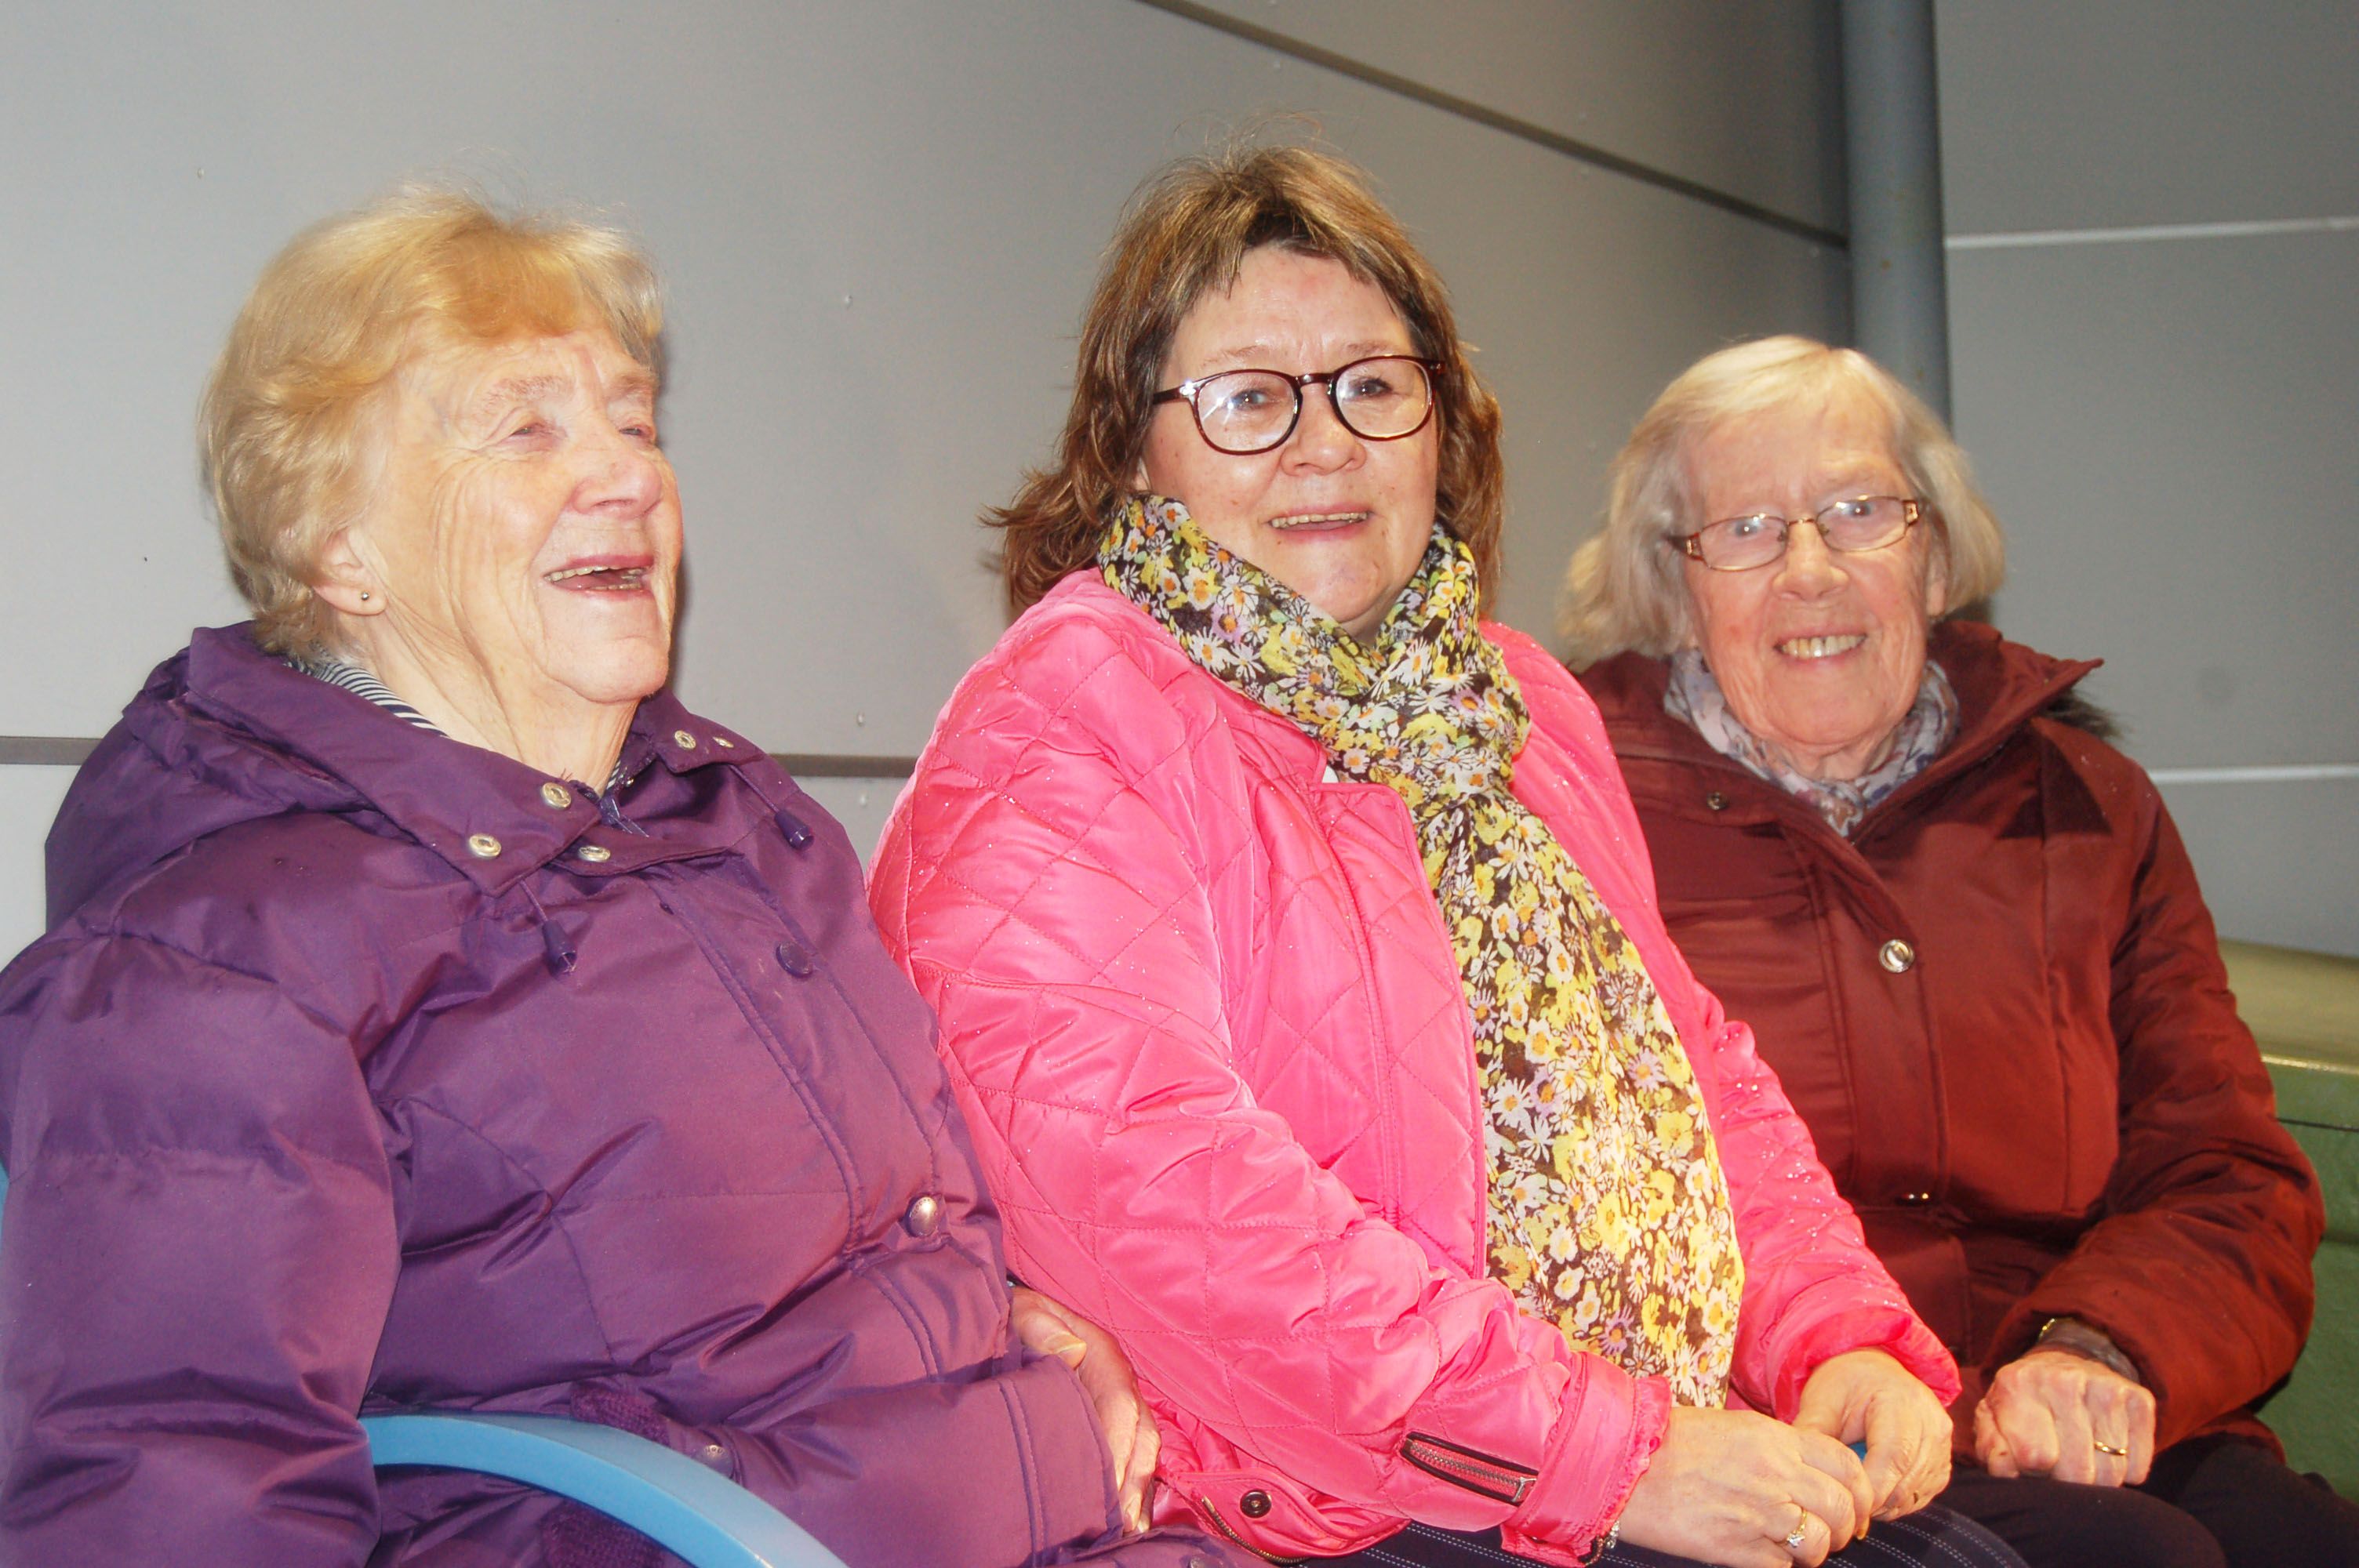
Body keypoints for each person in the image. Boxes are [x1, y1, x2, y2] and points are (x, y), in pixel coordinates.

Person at [0, 188, 1237, 1568]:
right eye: (526, 429)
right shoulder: (222, 956)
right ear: (340, 545)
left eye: (635, 424)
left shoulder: (740, 831)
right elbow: (167, 1484)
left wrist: (1008, 1321)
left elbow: (850, 1238)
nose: (629, 476)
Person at [869, 147, 2023, 1568]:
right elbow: (1161, 1195)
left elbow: (1695, 1068)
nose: (1326, 446)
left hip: (1617, 1441)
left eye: (1373, 384)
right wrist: (1615, 1458)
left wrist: (1835, 1335)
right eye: (1248, 399)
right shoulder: (1062, 716)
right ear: (1130, 451)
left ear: (1442, 423)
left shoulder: (1521, 701)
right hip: (1310, 1501)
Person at [1561, 334, 2357, 1568]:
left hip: (2070, 1398)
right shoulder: (1573, 811)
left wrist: (2099, 1344)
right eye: (1749, 531)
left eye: (1857, 513)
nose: (1812, 571)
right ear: (1675, 588)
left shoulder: (2085, 807)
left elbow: (2226, 1171)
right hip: (1791, 1426)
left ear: (1932, 556)